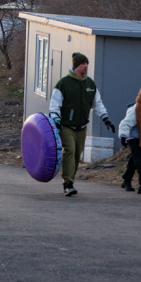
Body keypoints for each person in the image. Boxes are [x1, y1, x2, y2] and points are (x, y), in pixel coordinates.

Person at [49, 52, 116, 197]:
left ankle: (71, 180)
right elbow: (55, 105)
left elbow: (97, 104)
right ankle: (67, 183)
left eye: (87, 63)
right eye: (82, 64)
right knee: (70, 151)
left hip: (82, 127)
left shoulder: (90, 84)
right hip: (66, 126)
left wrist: (106, 119)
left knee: (77, 155)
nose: (85, 66)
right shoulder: (63, 83)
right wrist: (56, 120)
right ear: (75, 66)